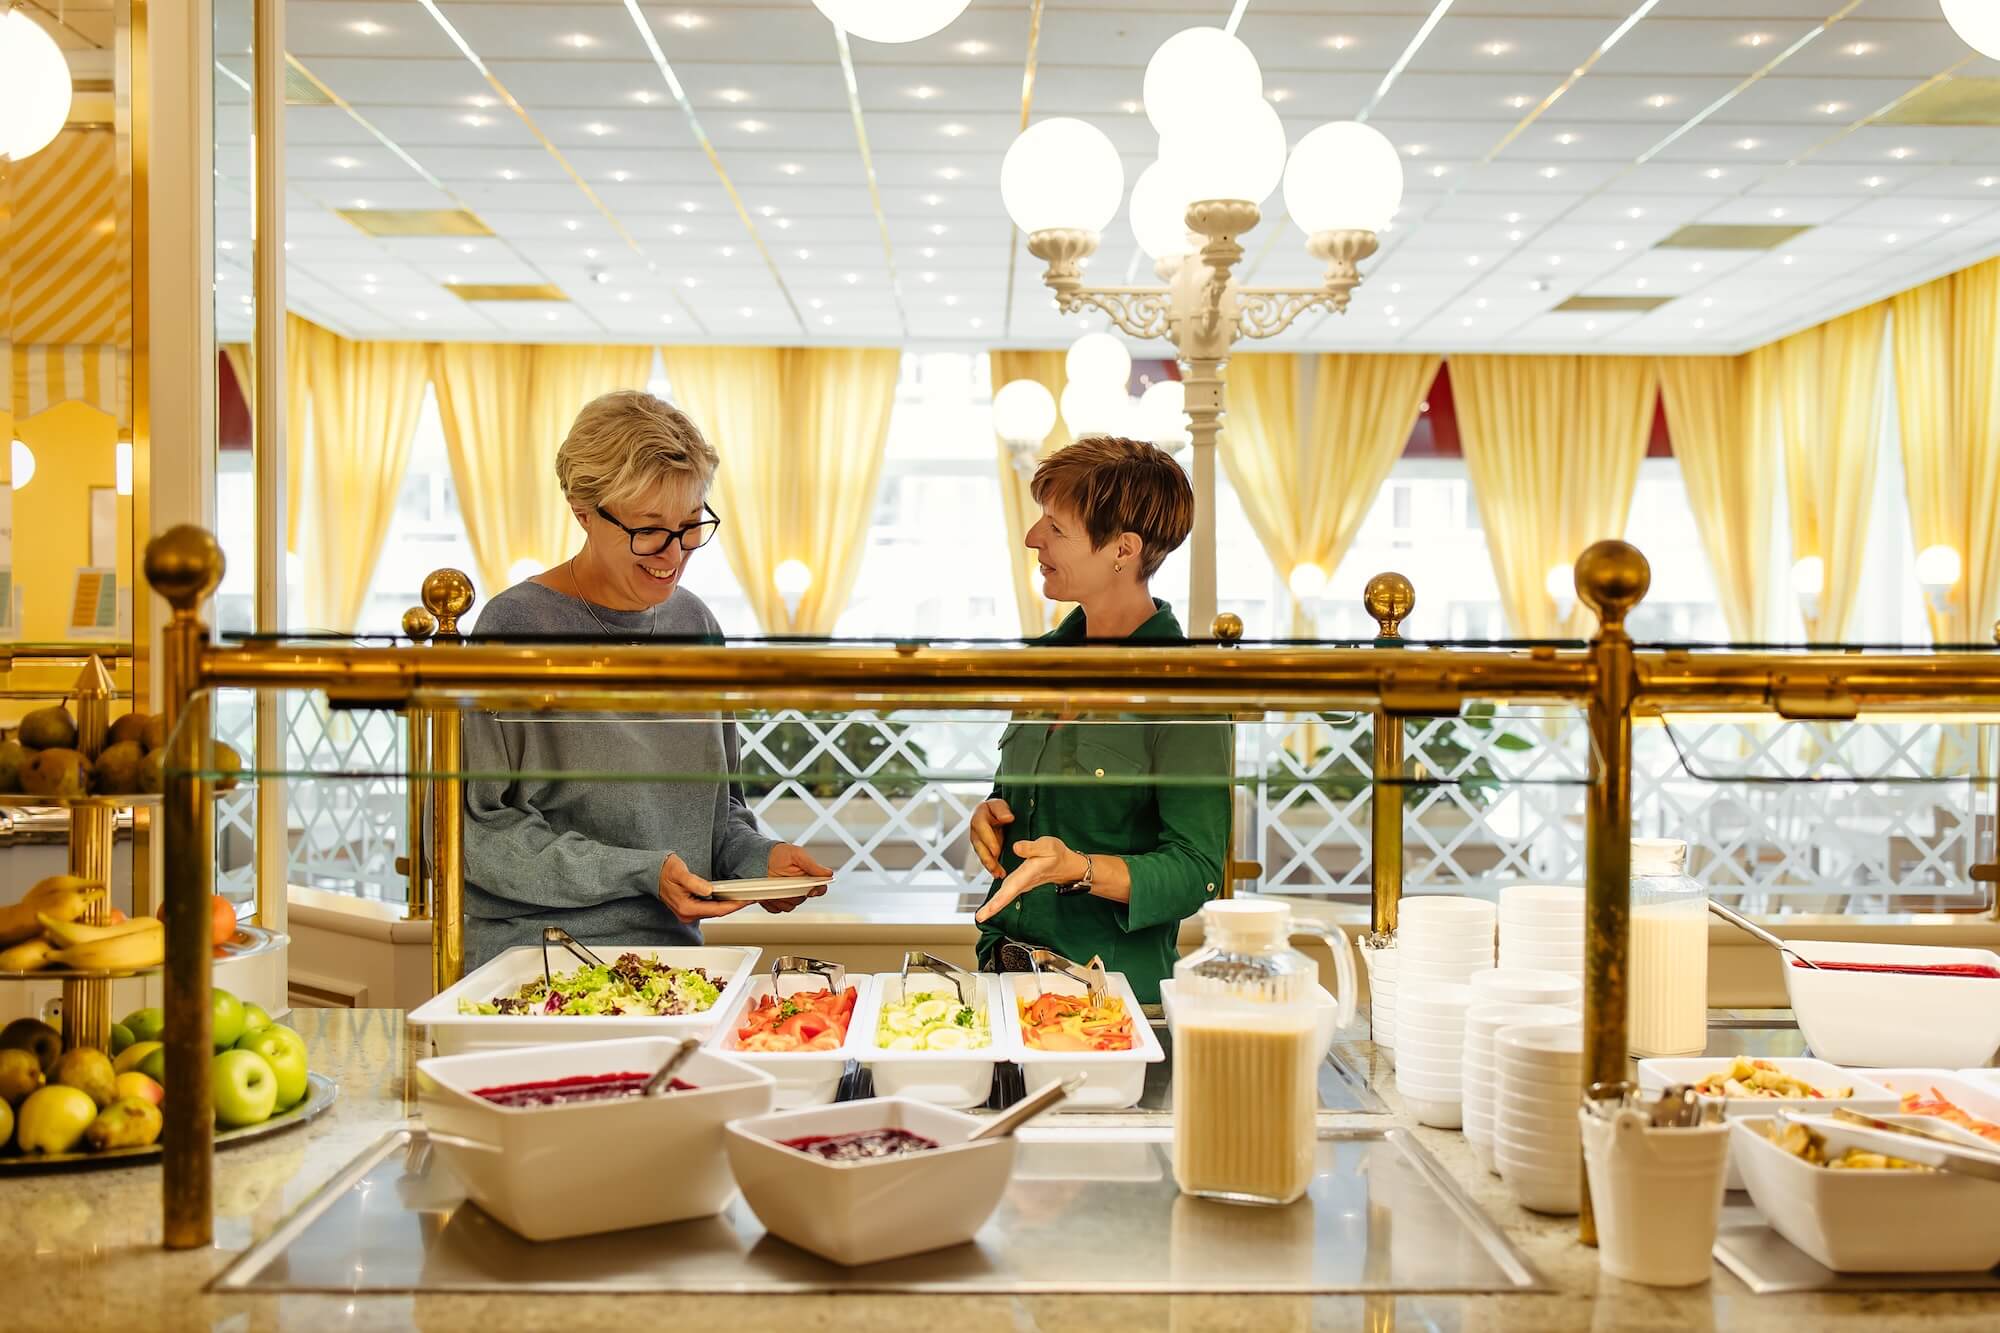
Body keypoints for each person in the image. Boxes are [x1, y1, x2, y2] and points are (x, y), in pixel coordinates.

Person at [460, 389, 830, 969]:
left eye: (690, 525)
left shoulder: (697, 625)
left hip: (669, 962)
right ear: (584, 512)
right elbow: (477, 836)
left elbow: (717, 813)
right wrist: (639, 871)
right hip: (538, 958)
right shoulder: (514, 628)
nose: (674, 553)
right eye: (650, 528)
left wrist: (758, 860)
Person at [969, 435, 1230, 1003]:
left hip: (1110, 1000)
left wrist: (1078, 868)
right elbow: (1024, 807)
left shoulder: (1186, 688)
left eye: (1056, 528)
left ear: (1123, 549)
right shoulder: (1039, 663)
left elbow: (1196, 871)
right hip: (1003, 977)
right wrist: (992, 816)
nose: (1033, 538)